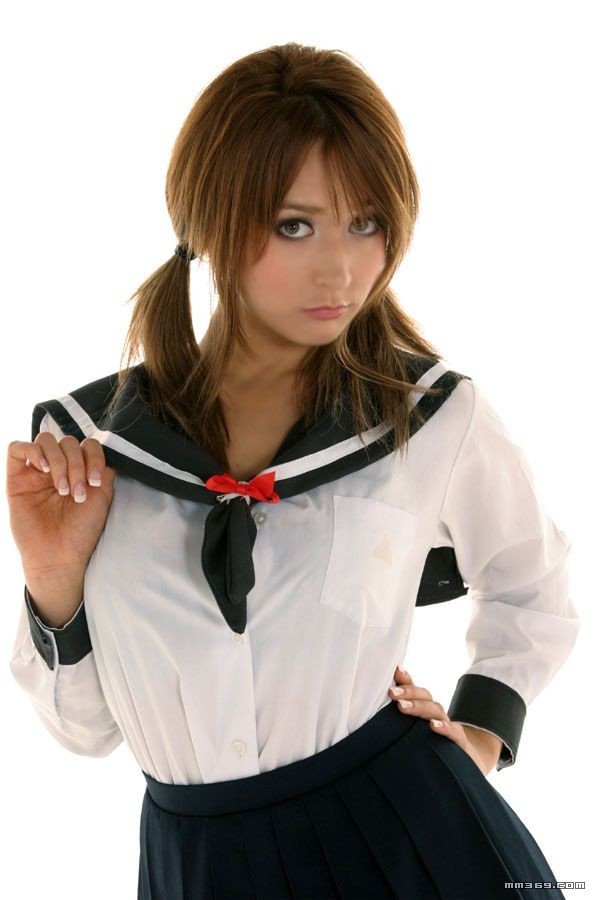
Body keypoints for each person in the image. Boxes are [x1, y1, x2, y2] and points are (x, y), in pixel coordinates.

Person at [7, 42, 580, 900]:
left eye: (368, 222)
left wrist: (482, 732)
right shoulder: (90, 448)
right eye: (294, 226)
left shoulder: (428, 416)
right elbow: (86, 734)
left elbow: (533, 585)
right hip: (195, 862)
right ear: (209, 218)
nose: (342, 269)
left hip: (411, 841)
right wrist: (52, 577)